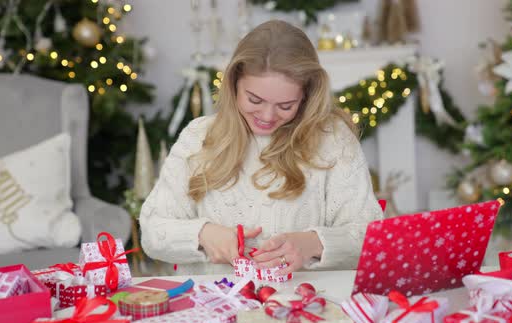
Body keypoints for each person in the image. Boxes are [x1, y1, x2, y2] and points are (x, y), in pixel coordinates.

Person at [139, 20, 383, 276]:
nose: (267, 116)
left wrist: (314, 243)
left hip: (307, 304)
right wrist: (203, 234)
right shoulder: (198, 137)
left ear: (307, 96)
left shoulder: (332, 139)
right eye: (254, 99)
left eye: (286, 105)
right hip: (212, 307)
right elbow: (152, 231)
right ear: (233, 84)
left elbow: (370, 236)